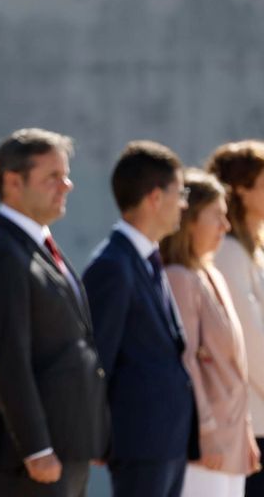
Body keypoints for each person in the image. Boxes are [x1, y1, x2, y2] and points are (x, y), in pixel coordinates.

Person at [0, 128, 109, 497]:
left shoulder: (37, 245)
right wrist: (36, 447)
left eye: (65, 175)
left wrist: (95, 432)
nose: (66, 185)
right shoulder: (2, 254)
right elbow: (8, 359)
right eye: (52, 177)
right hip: (31, 459)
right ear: (13, 182)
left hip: (66, 447)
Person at [82, 141, 197, 497]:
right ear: (154, 198)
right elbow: (98, 358)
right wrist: (98, 437)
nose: (184, 204)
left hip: (166, 441)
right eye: (180, 193)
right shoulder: (113, 265)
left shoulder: (146, 258)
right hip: (140, 441)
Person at [161, 168, 261, 496]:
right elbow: (187, 362)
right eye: (216, 216)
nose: (226, 226)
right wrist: (204, 432)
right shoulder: (178, 277)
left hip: (231, 440)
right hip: (207, 444)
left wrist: (244, 434)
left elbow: (235, 364)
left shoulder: (211, 274)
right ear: (189, 221)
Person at [207, 140, 264, 496]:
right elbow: (251, 343)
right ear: (239, 192)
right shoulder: (228, 253)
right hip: (252, 423)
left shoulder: (252, 250)